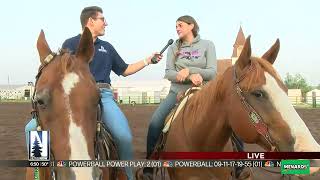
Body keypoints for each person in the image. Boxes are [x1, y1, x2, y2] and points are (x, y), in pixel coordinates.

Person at [24, 6, 162, 180]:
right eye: (102, 19)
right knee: (31, 128)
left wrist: (147, 60)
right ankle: (37, 172)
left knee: (123, 136)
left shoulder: (107, 48)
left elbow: (125, 69)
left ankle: (127, 175)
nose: (106, 23)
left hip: (102, 94)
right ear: (90, 21)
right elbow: (63, 73)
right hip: (74, 96)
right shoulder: (70, 44)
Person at [143, 15, 217, 177]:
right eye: (176, 26)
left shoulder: (207, 45)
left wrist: (191, 70)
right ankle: (149, 165)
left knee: (229, 120)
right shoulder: (173, 48)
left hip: (203, 93)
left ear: (191, 26)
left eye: (180, 25)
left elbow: (212, 72)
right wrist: (185, 76)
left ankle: (240, 167)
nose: (177, 28)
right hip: (176, 92)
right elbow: (169, 73)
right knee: (155, 123)